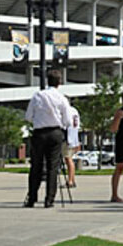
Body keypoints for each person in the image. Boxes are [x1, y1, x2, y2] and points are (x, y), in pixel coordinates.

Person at [24, 69, 70, 207]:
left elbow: (28, 116)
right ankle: (49, 199)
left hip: (39, 132)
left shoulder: (38, 95)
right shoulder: (61, 98)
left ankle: (32, 197)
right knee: (52, 166)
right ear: (59, 83)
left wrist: (38, 121)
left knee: (36, 165)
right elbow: (67, 119)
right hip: (55, 132)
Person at [64, 105, 81, 188]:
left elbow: (65, 124)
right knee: (69, 159)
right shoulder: (74, 110)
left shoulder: (67, 111)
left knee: (68, 159)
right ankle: (72, 179)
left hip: (68, 137)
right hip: (74, 137)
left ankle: (70, 180)